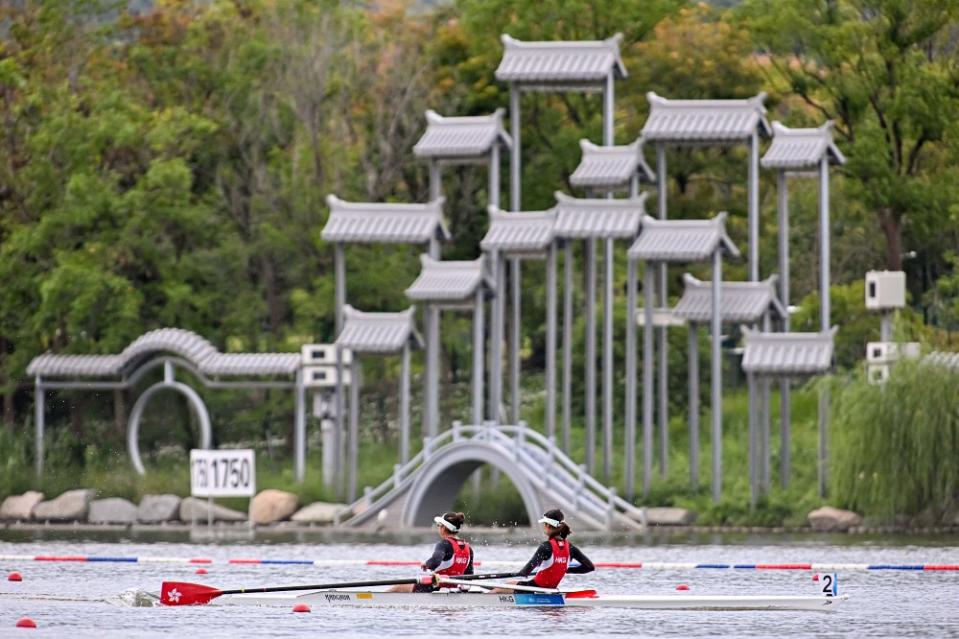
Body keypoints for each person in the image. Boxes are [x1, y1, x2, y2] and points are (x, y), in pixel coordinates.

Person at [491, 508, 594, 593]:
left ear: (548, 526)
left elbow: (526, 571)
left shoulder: (546, 547)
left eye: (544, 524)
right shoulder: (570, 547)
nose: (544, 526)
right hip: (551, 589)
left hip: (534, 588)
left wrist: (522, 572)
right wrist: (566, 570)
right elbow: (589, 567)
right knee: (508, 584)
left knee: (497, 589)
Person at [389, 511, 473, 592]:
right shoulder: (468, 548)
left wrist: (427, 564)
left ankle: (377, 601)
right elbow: (469, 574)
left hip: (435, 587)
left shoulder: (444, 544)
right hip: (455, 588)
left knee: (399, 587)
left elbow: (435, 561)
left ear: (443, 528)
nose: (438, 528)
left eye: (438, 525)